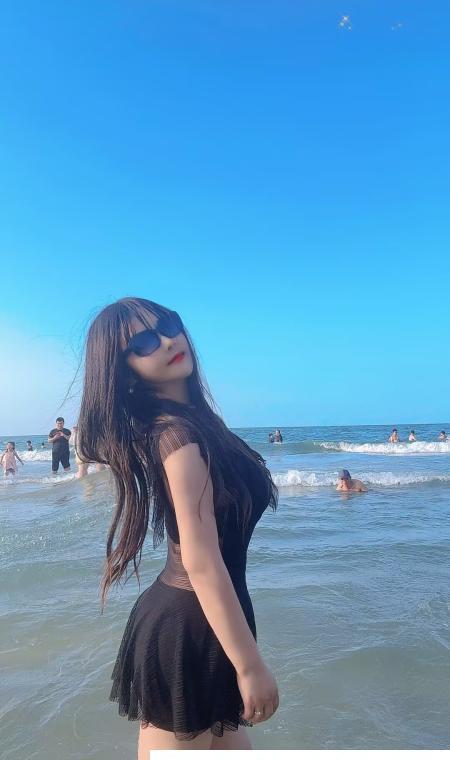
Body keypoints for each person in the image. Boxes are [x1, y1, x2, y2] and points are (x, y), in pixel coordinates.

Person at [77, 297, 279, 756]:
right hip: (188, 630)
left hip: (212, 621)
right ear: (124, 370)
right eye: (145, 342)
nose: (167, 341)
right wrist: (250, 666)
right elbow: (201, 559)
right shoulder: (178, 437)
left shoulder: (198, 423)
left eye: (168, 325)